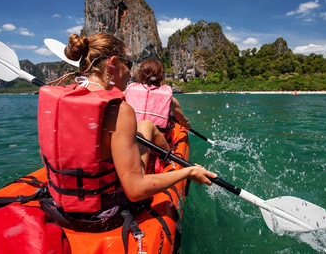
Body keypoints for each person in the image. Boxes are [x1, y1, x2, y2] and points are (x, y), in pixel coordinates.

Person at [37, 33, 216, 221]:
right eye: (128, 65)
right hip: (103, 211)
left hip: (60, 203)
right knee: (147, 131)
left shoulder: (57, 100)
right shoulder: (118, 110)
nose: (131, 74)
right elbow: (135, 190)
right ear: (113, 63)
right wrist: (189, 171)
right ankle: (167, 157)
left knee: (145, 126)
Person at [125, 59, 191, 138]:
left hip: (130, 139)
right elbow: (184, 123)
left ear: (141, 75)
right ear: (160, 76)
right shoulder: (171, 101)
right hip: (156, 144)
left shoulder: (127, 93)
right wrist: (188, 126)